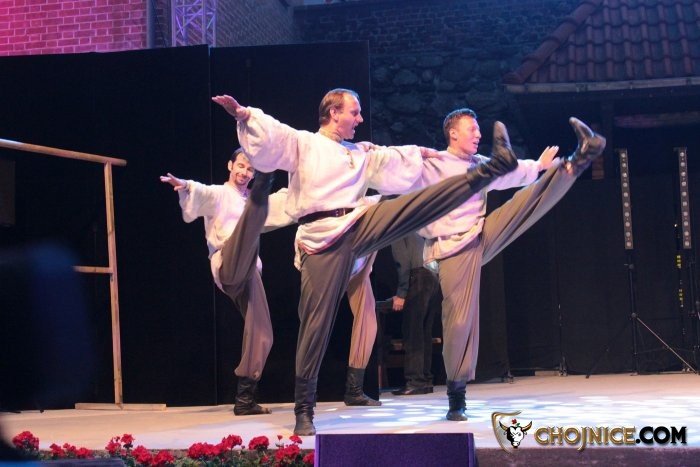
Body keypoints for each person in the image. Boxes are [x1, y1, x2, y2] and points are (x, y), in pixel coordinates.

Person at [212, 88, 519, 436]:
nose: (360, 119)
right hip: (321, 238)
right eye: (354, 112)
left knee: (410, 206)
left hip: (357, 224)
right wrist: (246, 115)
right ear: (333, 113)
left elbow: (392, 160)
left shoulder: (359, 152)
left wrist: (419, 154)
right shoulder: (304, 144)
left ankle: (488, 170)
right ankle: (304, 408)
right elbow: (275, 135)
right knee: (315, 323)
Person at [408, 108, 606, 421]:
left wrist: (538, 166)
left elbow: (510, 174)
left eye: (478, 129)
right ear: (453, 134)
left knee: (525, 202)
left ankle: (580, 158)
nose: (478, 134)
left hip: (479, 236)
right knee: (459, 321)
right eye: (471, 129)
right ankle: (456, 395)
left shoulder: (480, 164)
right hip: (451, 250)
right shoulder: (434, 164)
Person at [160, 148, 275, 416]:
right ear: (230, 165)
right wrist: (185, 185)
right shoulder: (220, 194)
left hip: (250, 271)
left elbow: (286, 204)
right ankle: (266, 181)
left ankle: (245, 399)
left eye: (250, 169)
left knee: (263, 331)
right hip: (228, 261)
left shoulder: (251, 200)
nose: (244, 172)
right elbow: (203, 191)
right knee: (252, 218)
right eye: (241, 166)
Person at [387, 232, 440, 396]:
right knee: (424, 332)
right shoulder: (417, 230)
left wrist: (401, 293)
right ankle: (426, 380)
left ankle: (415, 382)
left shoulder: (397, 231)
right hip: (432, 277)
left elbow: (402, 261)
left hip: (418, 277)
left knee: (413, 332)